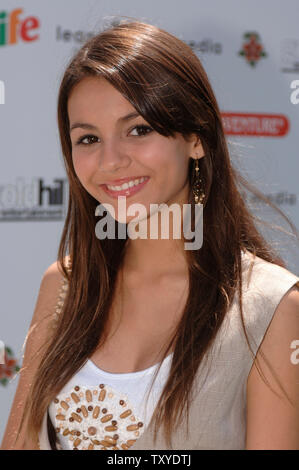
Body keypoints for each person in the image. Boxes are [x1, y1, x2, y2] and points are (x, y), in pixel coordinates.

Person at [1, 18, 299, 451]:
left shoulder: (270, 307)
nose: (110, 160)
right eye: (87, 139)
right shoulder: (64, 287)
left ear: (197, 138)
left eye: (138, 129)